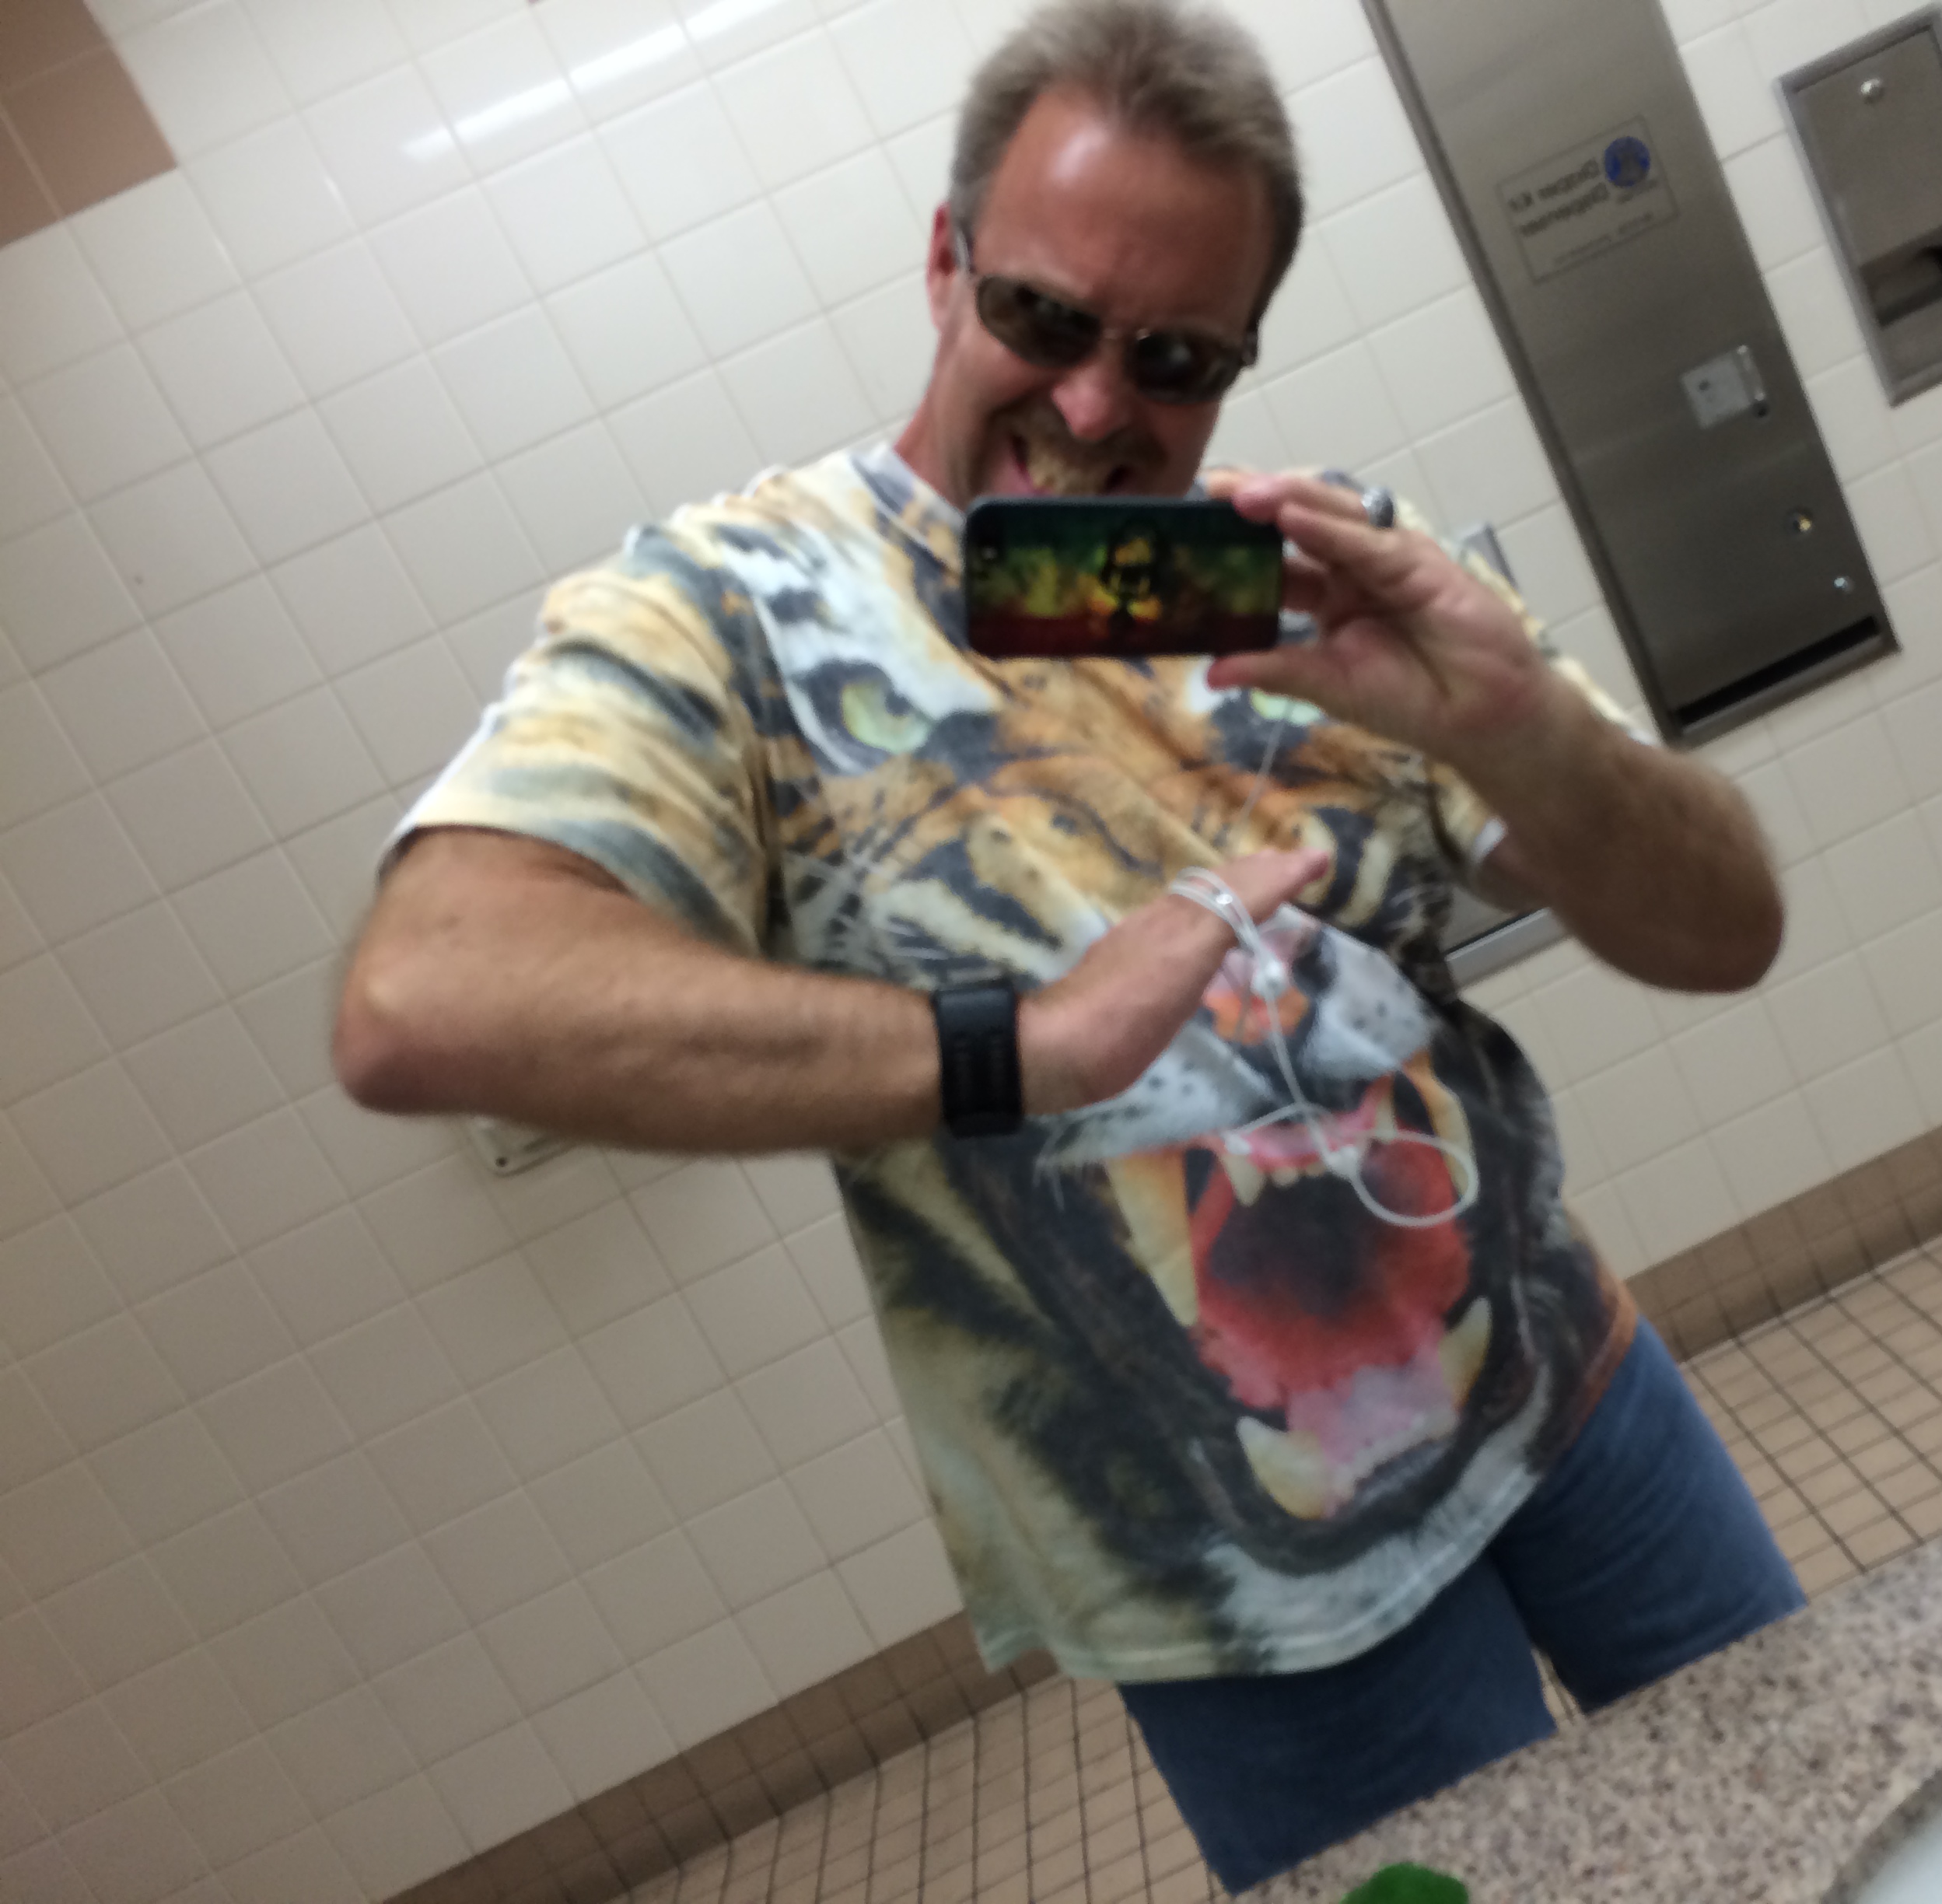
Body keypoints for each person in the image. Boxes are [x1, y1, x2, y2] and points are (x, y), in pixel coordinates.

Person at [334, 0, 1803, 1885]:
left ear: (1240, 356)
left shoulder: (1326, 572)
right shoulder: (735, 609)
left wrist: (1523, 727)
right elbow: (428, 994)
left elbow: (1728, 932)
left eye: (1175, 355)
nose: (1099, 409)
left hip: (1579, 1403)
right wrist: (1024, 1046)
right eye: (1042, 317)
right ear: (946, 261)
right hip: (1243, 1588)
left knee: (1839, 1816)